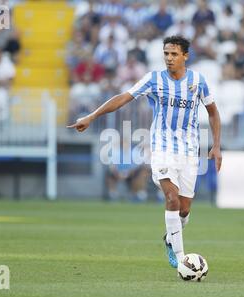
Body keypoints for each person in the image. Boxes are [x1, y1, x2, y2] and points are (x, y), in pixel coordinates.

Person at [67, 35, 222, 270]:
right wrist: (92, 116)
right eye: (166, 54)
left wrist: (216, 145)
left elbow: (212, 112)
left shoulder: (198, 81)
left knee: (185, 208)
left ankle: (170, 238)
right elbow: (122, 98)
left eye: (174, 54)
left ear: (185, 56)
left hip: (190, 151)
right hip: (161, 149)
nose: (169, 58)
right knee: (171, 196)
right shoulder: (154, 79)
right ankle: (181, 258)